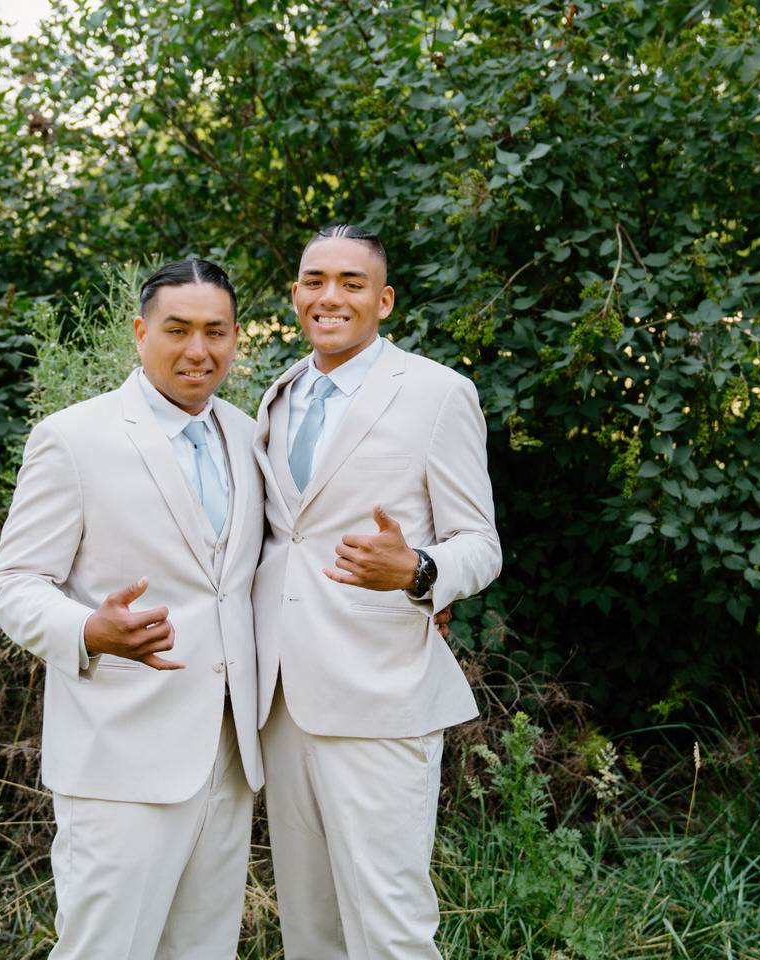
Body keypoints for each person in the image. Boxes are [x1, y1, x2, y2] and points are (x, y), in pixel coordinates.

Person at [0, 259, 264, 959]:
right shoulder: (73, 439)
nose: (198, 350)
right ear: (140, 333)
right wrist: (87, 629)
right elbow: (11, 583)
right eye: (177, 330)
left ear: (236, 339)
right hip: (120, 759)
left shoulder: (250, 434)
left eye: (216, 332)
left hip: (230, 758)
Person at [252, 224, 503, 959]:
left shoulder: (437, 394)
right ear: (296, 293)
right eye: (314, 280)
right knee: (311, 931)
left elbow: (480, 546)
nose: (329, 296)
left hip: (381, 696)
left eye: (351, 283)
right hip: (282, 700)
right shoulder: (278, 394)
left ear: (383, 300)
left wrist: (420, 572)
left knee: (390, 929)